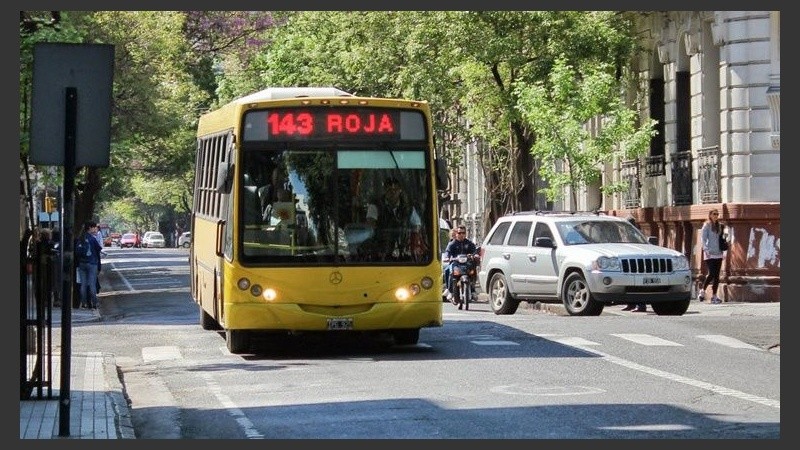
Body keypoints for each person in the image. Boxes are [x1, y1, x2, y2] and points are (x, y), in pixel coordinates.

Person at [365, 177, 422, 258]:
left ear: (400, 190)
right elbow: (370, 227)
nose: (393, 192)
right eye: (389, 190)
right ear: (385, 191)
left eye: (396, 189)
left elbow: (416, 226)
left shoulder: (408, 208)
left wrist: (414, 245)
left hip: (403, 251)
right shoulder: (375, 206)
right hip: (381, 252)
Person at [443, 225, 477, 309]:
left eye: (463, 233)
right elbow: (447, 251)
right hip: (456, 264)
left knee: (473, 269)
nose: (461, 234)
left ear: (465, 234)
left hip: (466, 264)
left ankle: (473, 290)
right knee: (448, 270)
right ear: (456, 233)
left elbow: (474, 250)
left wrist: (475, 255)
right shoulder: (452, 244)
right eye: (459, 233)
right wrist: (447, 257)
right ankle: (450, 290)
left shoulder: (469, 243)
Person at [699, 209, 726, 304]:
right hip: (709, 253)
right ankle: (702, 290)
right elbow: (703, 238)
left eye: (717, 214)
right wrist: (706, 249)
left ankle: (714, 296)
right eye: (714, 214)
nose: (716, 216)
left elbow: (722, 238)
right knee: (711, 273)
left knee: (717, 276)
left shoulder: (720, 226)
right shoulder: (707, 225)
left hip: (718, 253)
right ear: (710, 215)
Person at [621, 216, 647, 312]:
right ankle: (630, 304)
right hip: (628, 263)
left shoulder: (637, 234)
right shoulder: (624, 233)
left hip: (638, 263)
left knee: (639, 286)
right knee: (629, 285)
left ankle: (641, 306)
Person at [75, 221, 103, 309]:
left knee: (83, 284)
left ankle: (83, 303)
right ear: (90, 228)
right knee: (92, 284)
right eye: (94, 227)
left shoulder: (80, 238)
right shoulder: (92, 239)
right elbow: (98, 249)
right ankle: (94, 303)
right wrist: (99, 266)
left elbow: (77, 252)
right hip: (92, 263)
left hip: (82, 264)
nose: (95, 229)